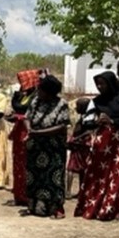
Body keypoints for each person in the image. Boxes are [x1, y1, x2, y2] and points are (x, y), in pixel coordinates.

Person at [75, 71, 119, 221]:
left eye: (102, 83)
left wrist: (112, 121)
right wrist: (97, 122)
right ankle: (98, 205)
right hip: (102, 143)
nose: (99, 87)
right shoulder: (95, 102)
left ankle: (118, 208)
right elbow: (86, 122)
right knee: (99, 175)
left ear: (111, 83)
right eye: (97, 84)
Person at [21, 75, 69, 219]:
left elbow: (62, 126)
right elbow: (27, 117)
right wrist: (30, 130)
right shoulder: (35, 102)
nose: (38, 93)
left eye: (41, 90)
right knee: (34, 176)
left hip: (53, 147)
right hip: (35, 146)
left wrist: (38, 133)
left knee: (53, 177)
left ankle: (56, 208)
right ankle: (35, 207)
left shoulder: (62, 104)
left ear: (50, 92)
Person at [7, 69, 39, 206]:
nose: (22, 84)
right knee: (18, 163)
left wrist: (18, 117)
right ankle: (19, 195)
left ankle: (28, 195)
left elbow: (31, 114)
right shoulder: (25, 95)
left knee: (28, 163)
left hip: (29, 131)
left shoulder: (37, 96)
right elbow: (17, 107)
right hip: (19, 131)